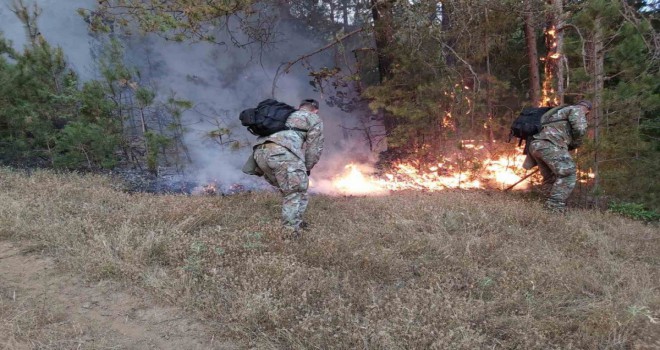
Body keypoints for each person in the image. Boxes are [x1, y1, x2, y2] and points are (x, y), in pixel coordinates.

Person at [244, 99, 324, 237]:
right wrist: (308, 167)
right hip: (282, 153)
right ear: (315, 110)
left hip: (260, 153)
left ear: (300, 107)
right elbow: (314, 148)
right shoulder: (313, 118)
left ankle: (297, 221)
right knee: (293, 191)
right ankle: (290, 232)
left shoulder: (286, 114)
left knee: (298, 188)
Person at [528, 100, 590, 212]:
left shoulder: (557, 113)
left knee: (550, 178)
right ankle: (554, 208)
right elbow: (580, 129)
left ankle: (544, 208)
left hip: (536, 145)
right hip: (550, 144)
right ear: (587, 110)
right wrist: (576, 142)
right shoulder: (577, 110)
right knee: (568, 173)